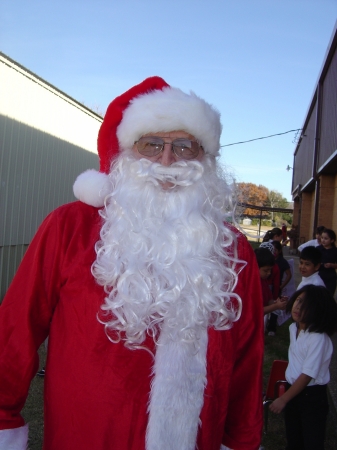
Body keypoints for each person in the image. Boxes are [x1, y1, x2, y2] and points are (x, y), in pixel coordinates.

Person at [0, 77, 264, 450]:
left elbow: (247, 362)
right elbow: (14, 329)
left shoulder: (234, 249)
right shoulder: (70, 227)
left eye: (185, 146)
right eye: (151, 144)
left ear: (205, 159)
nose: (167, 160)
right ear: (126, 153)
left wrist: (242, 440)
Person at [269, 285, 337, 450]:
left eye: (307, 306)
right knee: (294, 436)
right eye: (298, 300)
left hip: (311, 396)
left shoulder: (317, 339)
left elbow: (307, 375)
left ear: (318, 312)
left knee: (311, 440)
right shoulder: (295, 328)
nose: (298, 307)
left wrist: (283, 399)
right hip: (293, 389)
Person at [254, 247, 287, 318]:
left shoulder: (263, 280)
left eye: (270, 270)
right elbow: (256, 311)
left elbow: (269, 300)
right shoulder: (252, 285)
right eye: (266, 270)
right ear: (255, 267)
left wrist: (278, 302)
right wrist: (276, 306)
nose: (269, 273)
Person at [317, 228, 337, 295]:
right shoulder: (318, 249)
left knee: (328, 296)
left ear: (332, 240)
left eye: (326, 238)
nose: (323, 240)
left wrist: (331, 265)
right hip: (318, 276)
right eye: (322, 238)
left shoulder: (335, 251)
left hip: (330, 278)